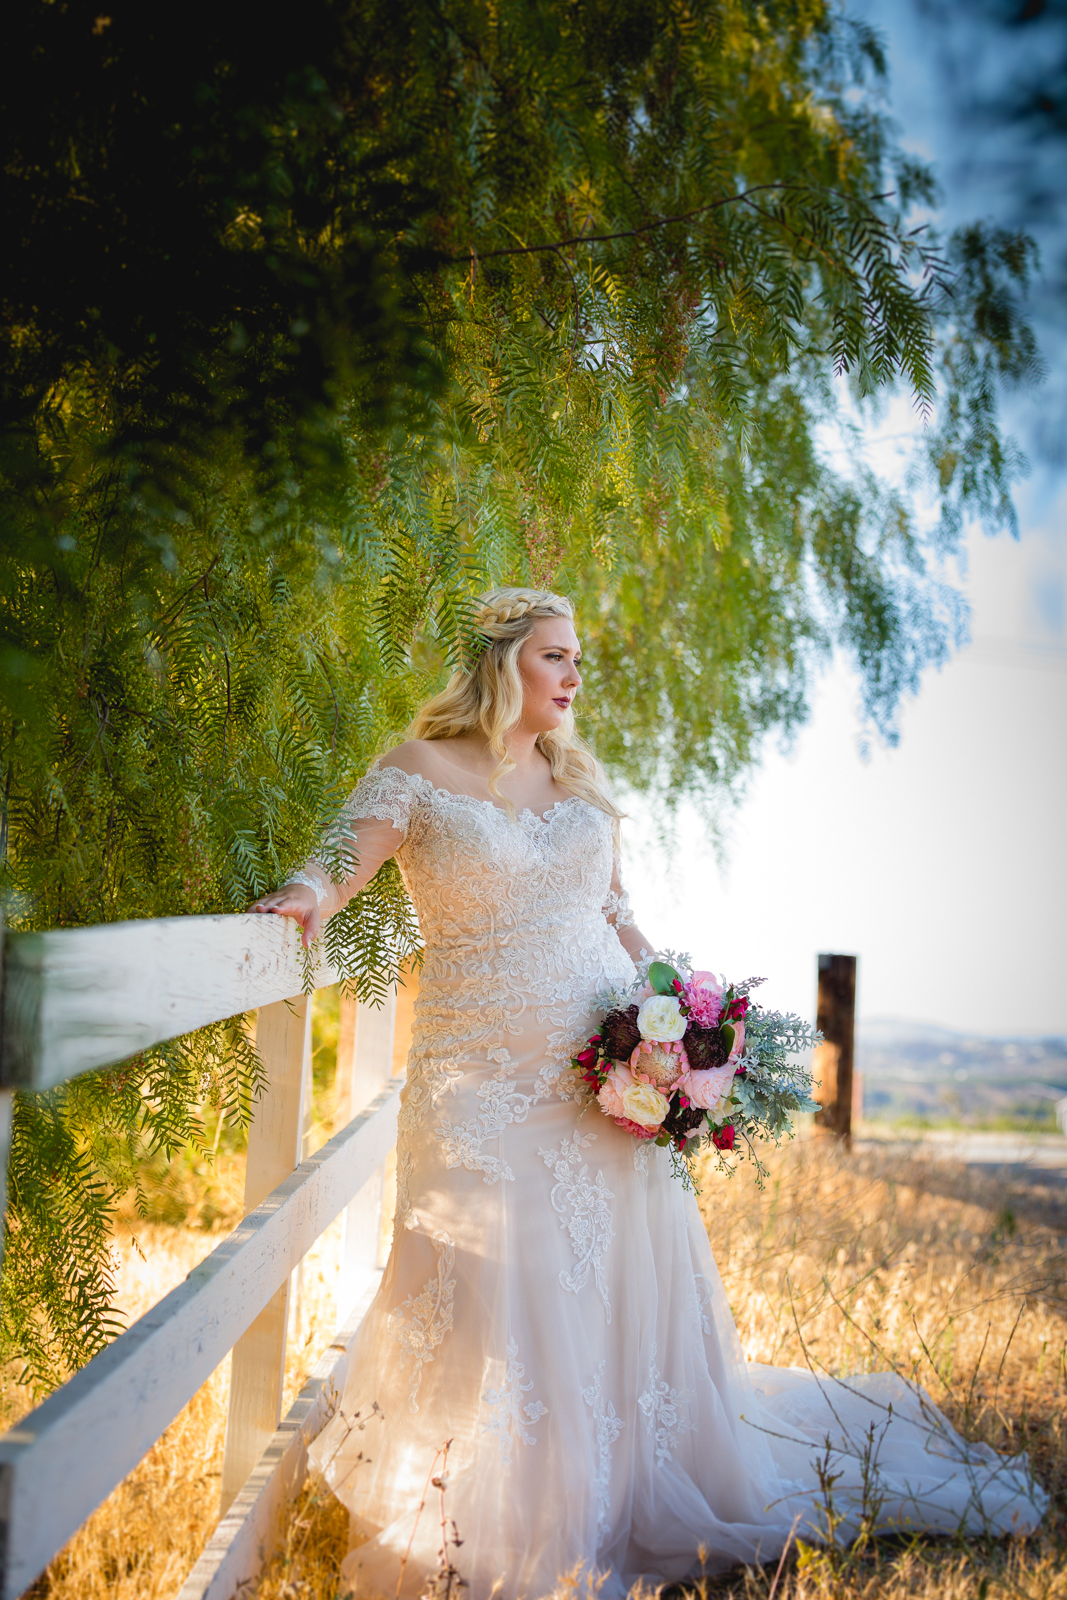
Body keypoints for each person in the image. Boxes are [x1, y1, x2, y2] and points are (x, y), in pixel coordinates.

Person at [252, 588, 1044, 1599]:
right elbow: (337, 865)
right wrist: (303, 897)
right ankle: (483, 1513)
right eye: (555, 655)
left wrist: (681, 1025)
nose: (574, 675)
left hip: (604, 1081)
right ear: (501, 661)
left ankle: (603, 1495)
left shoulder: (579, 782)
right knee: (496, 1284)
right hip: (478, 1088)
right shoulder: (416, 770)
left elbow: (619, 919)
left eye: (577, 657)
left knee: (600, 1286)